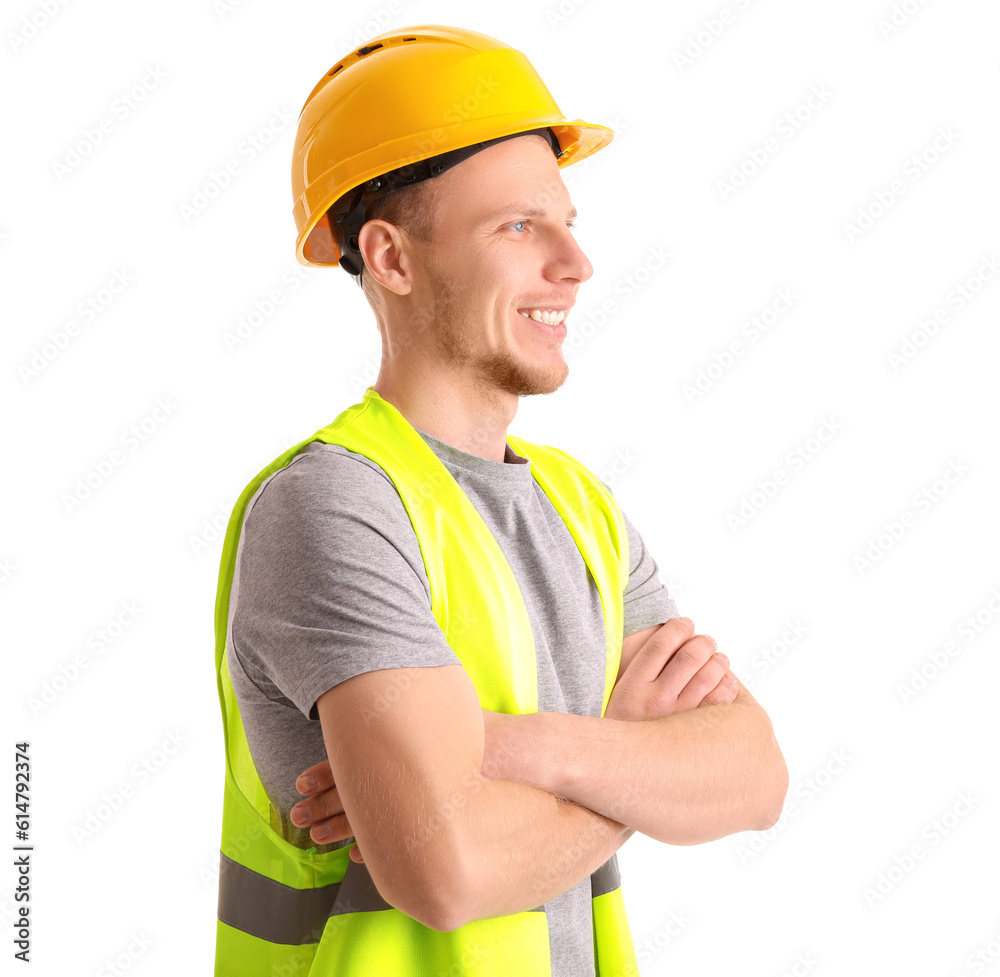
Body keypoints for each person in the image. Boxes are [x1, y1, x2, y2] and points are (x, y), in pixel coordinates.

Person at [211, 23, 788, 977]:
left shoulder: (579, 505)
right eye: (519, 226)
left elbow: (755, 774)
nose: (575, 262)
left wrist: (516, 752)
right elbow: (452, 869)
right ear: (391, 258)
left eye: (569, 221)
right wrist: (637, 762)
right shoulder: (332, 507)